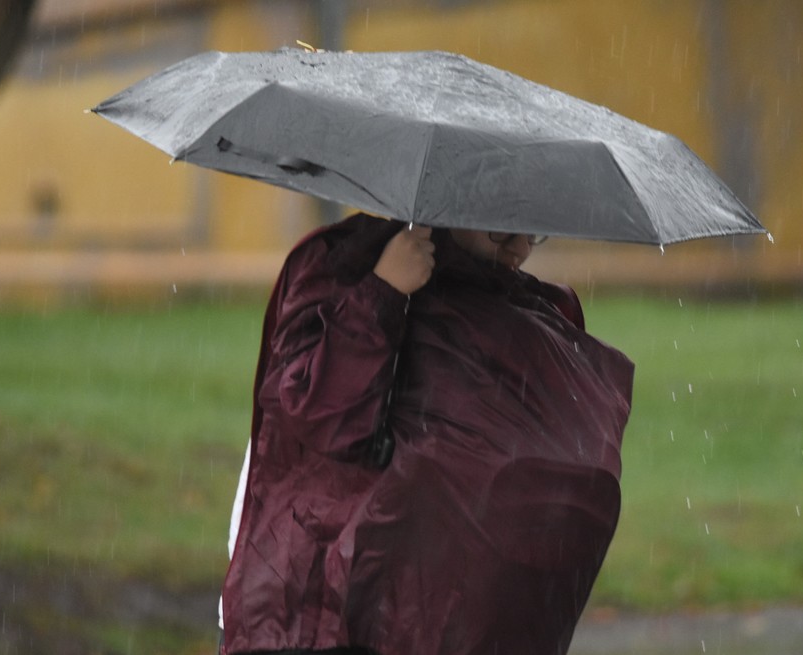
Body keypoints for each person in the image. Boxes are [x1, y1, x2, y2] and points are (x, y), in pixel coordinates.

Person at [219, 213, 634, 655]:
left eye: (531, 230)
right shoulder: (345, 269)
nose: (520, 249)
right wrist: (384, 289)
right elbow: (321, 413)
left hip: (429, 616)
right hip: (320, 606)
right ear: (448, 207)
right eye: (501, 228)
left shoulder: (511, 304)